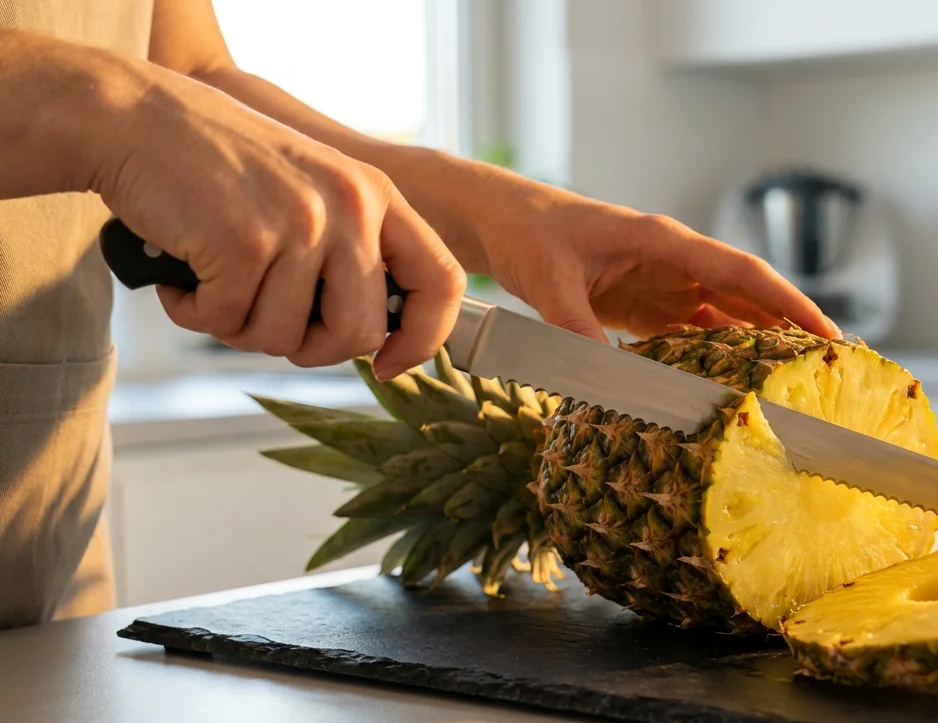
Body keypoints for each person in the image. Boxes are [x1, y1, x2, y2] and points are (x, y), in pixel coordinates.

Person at [0, 1, 837, 631]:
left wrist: (499, 210)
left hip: (45, 555)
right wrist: (100, 105)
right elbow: (142, 102)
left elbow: (191, 74)